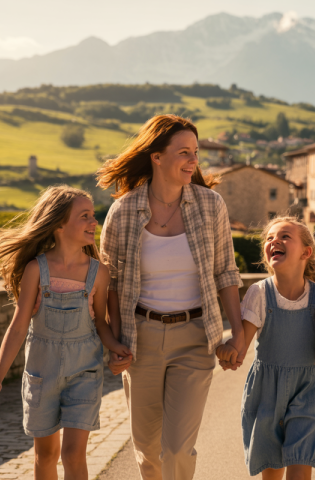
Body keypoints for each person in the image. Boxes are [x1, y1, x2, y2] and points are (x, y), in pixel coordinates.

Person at [97, 114, 245, 480]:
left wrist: (238, 332)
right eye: (184, 152)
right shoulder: (123, 212)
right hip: (141, 339)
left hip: (194, 337)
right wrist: (115, 341)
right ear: (156, 156)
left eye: (195, 152)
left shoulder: (211, 206)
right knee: (148, 449)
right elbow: (111, 285)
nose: (194, 160)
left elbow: (226, 272)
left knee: (177, 447)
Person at [0, 186, 130, 480]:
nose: (93, 222)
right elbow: (19, 325)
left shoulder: (99, 273)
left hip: (84, 374)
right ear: (59, 224)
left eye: (93, 215)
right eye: (84, 216)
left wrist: (115, 346)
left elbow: (101, 322)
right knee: (45, 455)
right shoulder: (36, 269)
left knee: (73, 454)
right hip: (41, 374)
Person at [217, 217, 315, 479]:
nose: (274, 240)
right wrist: (228, 351)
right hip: (266, 393)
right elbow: (240, 345)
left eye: (285, 236)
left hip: (309, 391)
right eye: (270, 238)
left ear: (306, 252)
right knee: (271, 471)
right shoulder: (259, 293)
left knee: (299, 466)